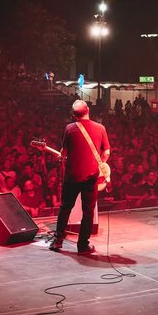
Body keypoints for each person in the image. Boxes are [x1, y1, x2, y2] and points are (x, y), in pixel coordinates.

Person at [48, 100, 110, 254]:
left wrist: (62, 157)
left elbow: (64, 153)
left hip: (72, 176)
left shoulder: (69, 129)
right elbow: (107, 152)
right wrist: (100, 163)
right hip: (91, 176)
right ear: (88, 110)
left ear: (74, 115)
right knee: (88, 210)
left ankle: (57, 241)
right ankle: (83, 245)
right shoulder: (100, 128)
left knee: (65, 207)